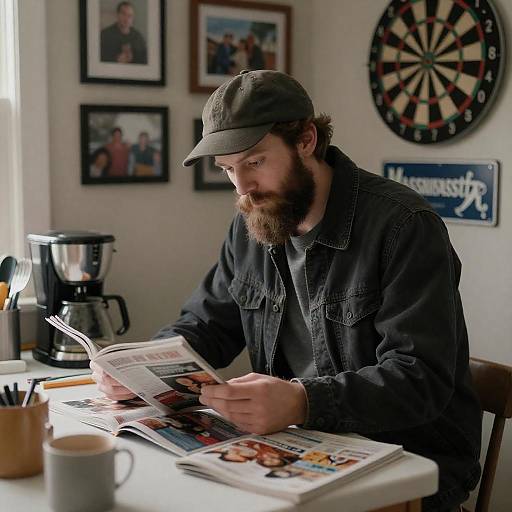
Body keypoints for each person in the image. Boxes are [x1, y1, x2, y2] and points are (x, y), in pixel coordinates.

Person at [92, 70, 482, 512]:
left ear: (306, 140)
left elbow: (420, 378)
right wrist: (140, 368)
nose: (242, 188)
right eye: (228, 170)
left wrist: (302, 401)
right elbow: (206, 325)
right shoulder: (252, 224)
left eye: (254, 161)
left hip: (409, 467)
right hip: (302, 450)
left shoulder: (403, 226)